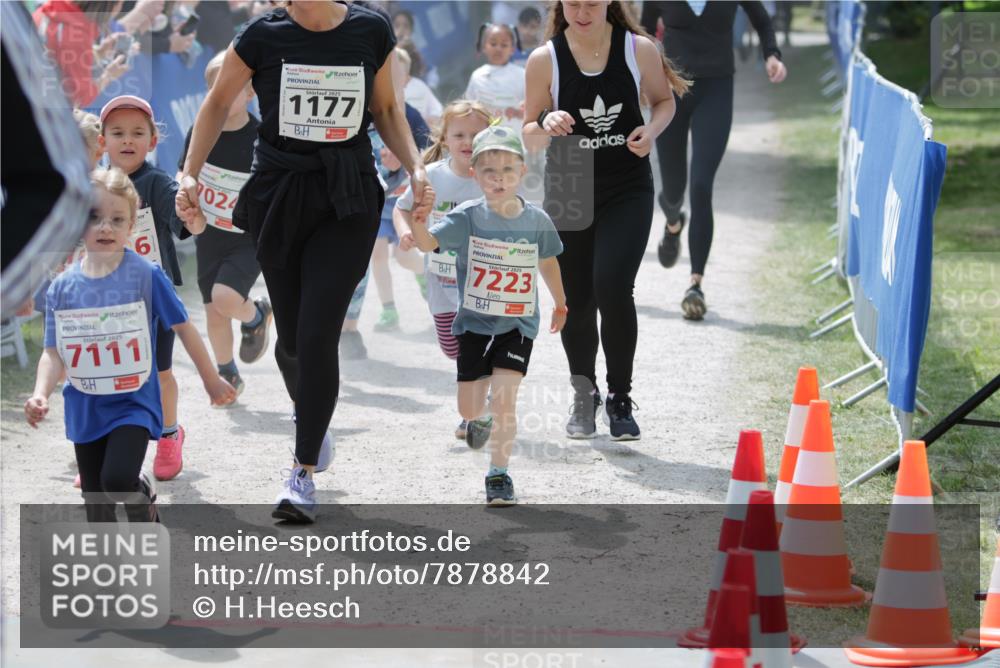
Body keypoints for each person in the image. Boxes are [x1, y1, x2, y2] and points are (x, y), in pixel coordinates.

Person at [176, 0, 434, 524]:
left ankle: (302, 471)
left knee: (317, 334)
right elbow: (217, 102)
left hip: (347, 196)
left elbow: (386, 109)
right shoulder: (260, 36)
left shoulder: (370, 29)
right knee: (293, 342)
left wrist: (416, 167)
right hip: (280, 194)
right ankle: (311, 414)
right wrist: (189, 174)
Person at [25, 168, 235, 523]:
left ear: (132, 226)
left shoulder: (146, 275)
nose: (105, 227)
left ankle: (140, 494)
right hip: (85, 406)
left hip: (132, 403)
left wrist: (211, 379)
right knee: (98, 509)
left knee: (118, 480)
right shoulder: (61, 287)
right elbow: (52, 352)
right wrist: (40, 393)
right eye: (94, 217)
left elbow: (183, 327)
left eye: (117, 219)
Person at [523, 0, 685, 441]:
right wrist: (546, 120)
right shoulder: (545, 59)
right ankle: (584, 394)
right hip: (570, 181)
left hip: (627, 185)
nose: (582, 11)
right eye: (573, 3)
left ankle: (619, 397)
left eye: (591, 2)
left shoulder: (639, 49)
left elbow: (664, 101)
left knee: (612, 285)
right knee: (576, 298)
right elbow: (529, 133)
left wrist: (651, 131)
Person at [410, 126, 566, 506]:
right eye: (489, 171)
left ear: (522, 171)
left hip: (518, 324)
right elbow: (428, 244)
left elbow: (548, 261)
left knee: (506, 402)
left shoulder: (537, 220)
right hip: (474, 325)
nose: (499, 179)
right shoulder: (466, 217)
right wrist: (419, 220)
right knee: (469, 407)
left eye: (508, 170)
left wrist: (560, 302)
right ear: (475, 174)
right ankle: (479, 418)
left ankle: (498, 474)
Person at [641, 0, 786, 320]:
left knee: (701, 185)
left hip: (717, 88)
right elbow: (645, 32)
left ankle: (695, 284)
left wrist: (772, 55)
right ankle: (673, 223)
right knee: (673, 190)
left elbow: (761, 19)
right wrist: (640, 76)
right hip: (670, 93)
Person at [100, 94, 212, 481]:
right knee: (108, 377)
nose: (127, 140)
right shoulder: (94, 187)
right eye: (118, 133)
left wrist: (195, 218)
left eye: (137, 133)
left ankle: (169, 434)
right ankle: (102, 448)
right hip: (105, 302)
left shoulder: (158, 183)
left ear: (152, 140)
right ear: (103, 141)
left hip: (153, 300)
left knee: (160, 373)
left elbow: (189, 225)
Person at [394, 100, 494, 440]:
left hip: (482, 283)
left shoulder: (495, 174)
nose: (468, 141)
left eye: (476, 135)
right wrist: (405, 232)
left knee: (474, 348)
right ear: (445, 138)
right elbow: (402, 208)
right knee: (452, 348)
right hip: (442, 281)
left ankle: (475, 412)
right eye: (459, 135)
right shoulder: (432, 175)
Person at [177, 51, 272, 397]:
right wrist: (184, 191)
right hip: (208, 234)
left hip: (247, 237)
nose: (224, 94)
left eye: (234, 87)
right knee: (213, 312)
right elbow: (184, 171)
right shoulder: (201, 130)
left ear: (250, 92)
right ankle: (227, 373)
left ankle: (256, 315)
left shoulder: (262, 137)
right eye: (216, 87)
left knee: (225, 298)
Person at [366, 46, 432, 333]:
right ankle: (388, 309)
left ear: (406, 80)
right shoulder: (367, 115)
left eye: (397, 76)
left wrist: (407, 162)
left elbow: (428, 151)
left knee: (405, 257)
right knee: (377, 255)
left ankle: (426, 277)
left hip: (405, 200)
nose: (389, 81)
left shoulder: (412, 116)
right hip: (378, 201)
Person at [465, 24, 526, 137]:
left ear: (512, 49)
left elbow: (532, 110)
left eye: (504, 45)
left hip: (516, 139)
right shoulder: (477, 76)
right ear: (484, 47)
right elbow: (469, 108)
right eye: (493, 44)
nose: (498, 49)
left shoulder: (521, 75)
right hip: (486, 139)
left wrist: (518, 113)